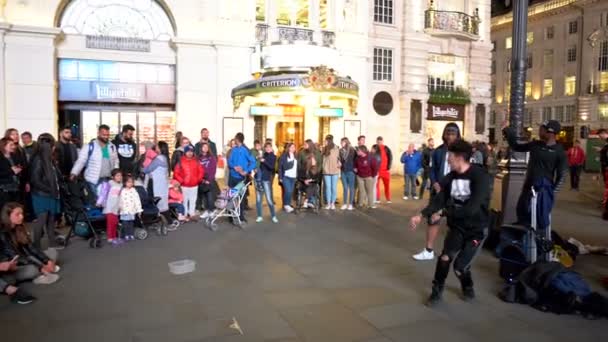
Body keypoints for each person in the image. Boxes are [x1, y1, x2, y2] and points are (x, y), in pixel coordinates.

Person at [410, 140, 490, 307]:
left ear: (460, 157)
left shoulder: (479, 177)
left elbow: (471, 209)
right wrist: (421, 215)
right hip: (457, 227)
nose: (448, 160)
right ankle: (436, 292)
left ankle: (467, 286)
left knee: (459, 267)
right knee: (445, 258)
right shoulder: (451, 178)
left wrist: (443, 213)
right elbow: (439, 201)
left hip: (476, 230)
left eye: (450, 157)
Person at [503, 120, 568, 230]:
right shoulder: (535, 144)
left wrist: (552, 192)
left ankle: (536, 239)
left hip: (543, 189)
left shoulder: (559, 151)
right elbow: (516, 146)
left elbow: (562, 175)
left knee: (539, 217)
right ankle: (522, 237)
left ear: (550, 132)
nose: (539, 131)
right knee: (522, 210)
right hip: (528, 186)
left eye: (542, 129)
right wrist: (507, 130)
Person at [413, 123, 462, 261]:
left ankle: (454, 251)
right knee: (433, 218)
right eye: (448, 133)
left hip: (457, 191)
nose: (450, 136)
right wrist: (434, 183)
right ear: (445, 135)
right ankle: (428, 250)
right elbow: (432, 169)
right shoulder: (438, 151)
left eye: (453, 134)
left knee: (456, 221)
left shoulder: (463, 151)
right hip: (439, 190)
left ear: (457, 135)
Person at [0, 202, 60, 286]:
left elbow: (31, 248)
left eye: (22, 213)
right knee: (32, 270)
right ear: (8, 216)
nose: (22, 216)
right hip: (14, 265)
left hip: (26, 258)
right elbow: (16, 258)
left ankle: (45, 269)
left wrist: (47, 261)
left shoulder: (19, 227)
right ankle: (40, 274)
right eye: (17, 214)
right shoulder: (3, 233)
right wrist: (40, 267)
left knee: (53, 252)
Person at [29, 133, 62, 250]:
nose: (54, 148)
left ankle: (52, 244)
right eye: (53, 146)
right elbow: (35, 181)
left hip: (51, 194)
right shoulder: (39, 160)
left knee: (51, 220)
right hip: (42, 195)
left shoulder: (49, 159)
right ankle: (36, 247)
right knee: (41, 221)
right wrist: (50, 189)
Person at [70, 124, 119, 197]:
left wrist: (116, 174)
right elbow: (81, 161)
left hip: (108, 179)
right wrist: (74, 173)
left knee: (106, 203)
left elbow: (116, 161)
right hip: (93, 180)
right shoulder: (89, 146)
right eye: (104, 135)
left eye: (107, 135)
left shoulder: (112, 146)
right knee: (95, 202)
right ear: (98, 133)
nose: (106, 137)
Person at [227, 134, 255, 222]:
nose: (234, 140)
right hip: (232, 177)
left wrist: (246, 171)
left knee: (241, 197)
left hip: (241, 178)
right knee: (231, 196)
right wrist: (234, 167)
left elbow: (253, 162)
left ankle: (240, 216)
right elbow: (229, 162)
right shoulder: (233, 150)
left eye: (235, 138)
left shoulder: (245, 150)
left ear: (238, 139)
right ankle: (230, 216)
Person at [173, 145, 204, 221]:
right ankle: (185, 214)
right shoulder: (180, 161)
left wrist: (198, 179)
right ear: (185, 152)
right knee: (185, 200)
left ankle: (192, 213)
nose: (190, 153)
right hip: (184, 185)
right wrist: (181, 180)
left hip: (194, 184)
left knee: (193, 200)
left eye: (191, 151)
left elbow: (201, 171)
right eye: (188, 151)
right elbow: (176, 173)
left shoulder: (196, 161)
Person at [143, 141, 170, 215]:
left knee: (155, 199)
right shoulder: (165, 158)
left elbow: (147, 169)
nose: (155, 148)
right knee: (163, 201)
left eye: (157, 146)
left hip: (156, 182)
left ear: (161, 148)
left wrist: (144, 167)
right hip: (162, 183)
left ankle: (156, 216)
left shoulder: (158, 158)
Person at [256, 143, 279, 223]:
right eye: (266, 147)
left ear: (271, 148)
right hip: (259, 180)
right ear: (265, 148)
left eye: (269, 147)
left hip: (266, 180)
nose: (268, 148)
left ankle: (273, 216)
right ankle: (259, 216)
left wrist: (264, 161)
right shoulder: (263, 155)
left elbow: (271, 167)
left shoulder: (273, 156)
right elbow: (259, 166)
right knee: (258, 199)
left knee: (269, 199)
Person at [102, 169, 123, 246]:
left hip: (115, 207)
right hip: (109, 207)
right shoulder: (109, 184)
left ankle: (114, 237)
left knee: (115, 223)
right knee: (110, 223)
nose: (120, 177)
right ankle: (110, 238)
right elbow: (103, 193)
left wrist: (120, 206)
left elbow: (120, 196)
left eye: (120, 175)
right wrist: (101, 202)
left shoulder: (121, 185)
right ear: (113, 177)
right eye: (117, 175)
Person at [119, 175, 142, 241]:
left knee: (131, 223)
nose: (130, 183)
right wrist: (120, 207)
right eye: (128, 182)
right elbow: (120, 200)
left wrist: (139, 210)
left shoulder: (134, 190)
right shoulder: (122, 191)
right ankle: (126, 234)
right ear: (125, 182)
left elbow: (137, 200)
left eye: (131, 182)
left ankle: (131, 234)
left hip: (132, 210)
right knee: (125, 223)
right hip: (124, 210)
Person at [0, 138, 21, 210]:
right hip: (4, 190)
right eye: (11, 145)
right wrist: (12, 171)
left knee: (15, 210)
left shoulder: (14, 156)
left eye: (14, 144)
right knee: (5, 211)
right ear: (4, 146)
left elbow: (19, 166)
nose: (14, 146)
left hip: (16, 188)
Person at [198, 142, 218, 219]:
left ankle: (211, 210)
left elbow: (213, 169)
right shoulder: (198, 158)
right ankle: (206, 210)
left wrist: (209, 179)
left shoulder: (211, 157)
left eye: (206, 147)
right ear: (201, 148)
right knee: (204, 196)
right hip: (202, 180)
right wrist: (201, 179)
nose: (205, 148)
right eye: (204, 147)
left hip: (209, 179)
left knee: (210, 196)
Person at [322, 135, 341, 210]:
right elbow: (322, 158)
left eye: (326, 140)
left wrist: (339, 162)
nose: (325, 141)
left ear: (329, 140)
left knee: (333, 188)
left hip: (335, 170)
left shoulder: (336, 148)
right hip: (326, 171)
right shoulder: (324, 148)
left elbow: (339, 158)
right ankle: (328, 203)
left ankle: (332, 203)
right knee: (328, 188)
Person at [278, 143, 298, 213]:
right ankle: (286, 205)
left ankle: (288, 204)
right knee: (288, 191)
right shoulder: (284, 156)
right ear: (288, 148)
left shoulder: (296, 156)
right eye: (291, 147)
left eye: (294, 147)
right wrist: (280, 177)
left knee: (291, 191)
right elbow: (280, 167)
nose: (293, 148)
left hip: (293, 177)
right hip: (286, 176)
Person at [373, 136, 393, 204]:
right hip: (377, 171)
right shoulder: (374, 148)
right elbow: (371, 157)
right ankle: (377, 198)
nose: (379, 143)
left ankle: (388, 198)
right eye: (378, 141)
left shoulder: (386, 148)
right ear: (376, 141)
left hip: (385, 171)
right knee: (376, 186)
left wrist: (388, 168)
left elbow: (390, 157)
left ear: (382, 141)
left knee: (387, 186)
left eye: (380, 141)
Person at [340, 138, 356, 210]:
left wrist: (355, 168)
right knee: (345, 188)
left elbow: (356, 159)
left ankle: (350, 204)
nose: (341, 144)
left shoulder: (352, 150)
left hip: (350, 171)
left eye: (342, 142)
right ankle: (344, 203)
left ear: (346, 142)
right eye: (341, 142)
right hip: (343, 171)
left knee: (351, 188)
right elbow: (339, 159)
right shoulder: (341, 150)